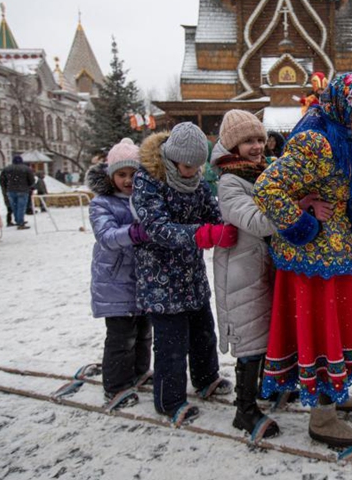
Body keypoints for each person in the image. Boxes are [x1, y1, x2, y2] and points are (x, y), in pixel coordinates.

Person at [254, 72, 352, 449]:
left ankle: (337, 389)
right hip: (314, 265)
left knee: (340, 330)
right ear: (346, 106)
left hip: (338, 256)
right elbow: (267, 189)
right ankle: (323, 417)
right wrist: (303, 225)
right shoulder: (317, 141)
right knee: (327, 330)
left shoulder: (343, 134)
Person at [131, 122, 236, 425]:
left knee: (203, 331)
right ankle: (169, 400)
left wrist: (227, 226)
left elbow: (212, 213)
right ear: (172, 159)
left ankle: (206, 379)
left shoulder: (198, 182)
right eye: (187, 166)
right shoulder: (148, 180)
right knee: (171, 342)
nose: (192, 171)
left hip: (191, 275)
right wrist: (204, 236)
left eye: (197, 166)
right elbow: (156, 228)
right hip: (159, 278)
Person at [210, 110, 281, 440]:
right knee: (251, 340)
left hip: (265, 266)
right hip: (242, 272)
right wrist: (298, 207)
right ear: (231, 146)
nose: (256, 146)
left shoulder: (263, 172)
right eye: (248, 141)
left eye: (259, 139)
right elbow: (259, 222)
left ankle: (267, 388)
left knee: (269, 333)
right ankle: (245, 409)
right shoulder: (229, 181)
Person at [87, 138, 152, 409]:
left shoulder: (146, 199)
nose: (128, 180)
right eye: (121, 174)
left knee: (143, 331)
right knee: (120, 337)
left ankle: (138, 371)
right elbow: (106, 236)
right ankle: (115, 386)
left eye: (133, 174)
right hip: (115, 282)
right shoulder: (102, 203)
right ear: (111, 175)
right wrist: (134, 232)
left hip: (143, 279)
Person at [0, 155, 35, 229]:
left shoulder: (6, 169)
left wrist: (6, 187)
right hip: (23, 190)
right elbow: (32, 180)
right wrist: (28, 186)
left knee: (14, 207)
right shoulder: (26, 169)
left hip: (10, 190)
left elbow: (2, 181)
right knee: (21, 207)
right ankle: (20, 222)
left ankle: (18, 220)